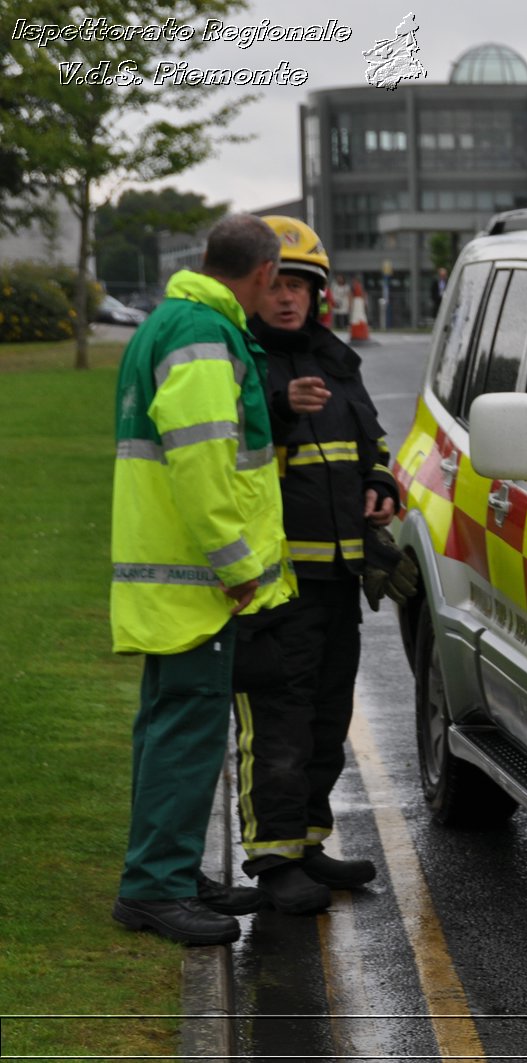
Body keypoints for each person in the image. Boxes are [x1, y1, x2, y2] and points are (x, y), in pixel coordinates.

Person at [110, 215, 296, 946]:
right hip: (199, 579)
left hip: (170, 572)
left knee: (168, 727)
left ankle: (170, 872)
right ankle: (155, 886)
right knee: (186, 733)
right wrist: (237, 565)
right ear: (262, 273)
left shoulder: (175, 322)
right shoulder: (204, 336)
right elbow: (203, 462)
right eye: (277, 278)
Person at [230, 216, 401, 914]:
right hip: (273, 587)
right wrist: (277, 407)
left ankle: (307, 841)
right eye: (276, 283)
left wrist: (382, 485)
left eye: (300, 285)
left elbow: (375, 441)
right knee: (277, 720)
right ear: (256, 288)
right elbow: (228, 459)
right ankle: (272, 861)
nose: (288, 298)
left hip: (338, 578)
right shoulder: (240, 364)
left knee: (328, 715)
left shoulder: (336, 359)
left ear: (319, 294)